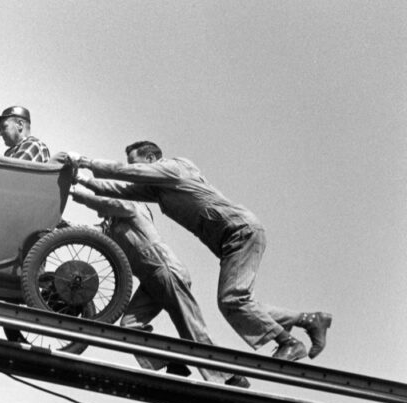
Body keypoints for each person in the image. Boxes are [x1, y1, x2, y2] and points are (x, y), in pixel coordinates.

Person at [60, 142, 331, 361]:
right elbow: (120, 188)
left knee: (232, 301)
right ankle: (309, 320)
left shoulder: (174, 168)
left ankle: (289, 343)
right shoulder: (161, 191)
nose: (133, 169)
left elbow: (126, 176)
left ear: (152, 158)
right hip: (231, 239)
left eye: (136, 163)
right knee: (240, 303)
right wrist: (81, 180)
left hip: (240, 230)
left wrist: (84, 161)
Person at [69, 182, 249, 387]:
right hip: (151, 280)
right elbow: (89, 232)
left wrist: (80, 194)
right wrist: (61, 226)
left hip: (165, 271)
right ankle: (171, 361)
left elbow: (116, 204)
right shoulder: (112, 226)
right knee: (129, 326)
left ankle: (230, 376)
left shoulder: (132, 206)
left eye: (102, 199)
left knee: (190, 327)